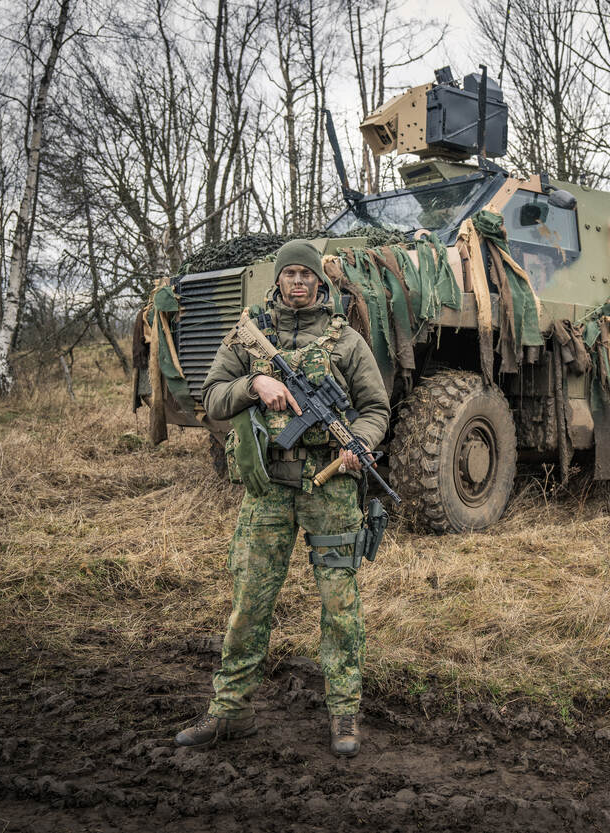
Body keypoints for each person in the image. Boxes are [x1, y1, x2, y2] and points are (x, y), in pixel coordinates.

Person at [175, 240, 389, 757]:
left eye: (306, 274)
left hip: (331, 488)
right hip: (267, 488)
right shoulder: (250, 334)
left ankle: (343, 715)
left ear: (320, 282)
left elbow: (376, 409)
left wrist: (359, 445)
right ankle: (231, 712)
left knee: (341, 608)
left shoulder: (347, 342)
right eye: (289, 273)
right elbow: (211, 396)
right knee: (249, 602)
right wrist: (256, 383)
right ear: (278, 279)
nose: (297, 282)